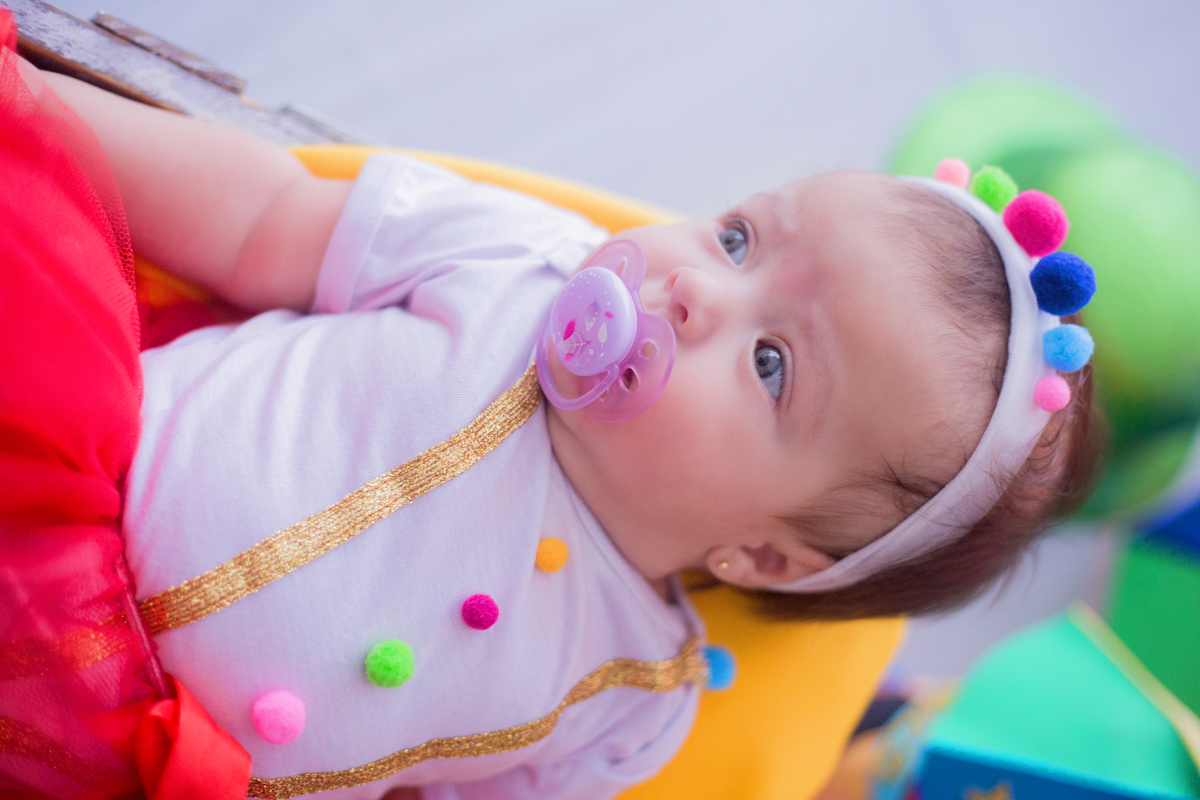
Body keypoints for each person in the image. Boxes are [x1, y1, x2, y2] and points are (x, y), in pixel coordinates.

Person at [1, 22, 1102, 800]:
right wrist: (42, 114)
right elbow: (260, 216)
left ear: (762, 553)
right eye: (737, 236)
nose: (698, 287)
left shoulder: (626, 703)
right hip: (56, 492)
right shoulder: (514, 260)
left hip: (124, 762)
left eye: (771, 362)